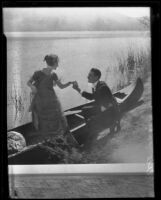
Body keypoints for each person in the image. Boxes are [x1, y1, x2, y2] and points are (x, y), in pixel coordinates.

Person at [27, 54, 74, 142]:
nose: (58, 65)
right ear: (54, 63)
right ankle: (52, 137)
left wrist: (70, 82)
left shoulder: (52, 74)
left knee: (48, 119)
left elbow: (61, 86)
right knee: (52, 118)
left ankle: (51, 137)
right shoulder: (39, 73)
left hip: (49, 100)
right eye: (57, 63)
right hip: (44, 101)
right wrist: (33, 87)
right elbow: (29, 83)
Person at [72, 68, 121, 134]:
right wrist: (78, 89)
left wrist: (96, 115)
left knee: (89, 115)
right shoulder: (96, 85)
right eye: (88, 75)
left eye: (90, 75)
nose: (87, 77)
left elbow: (108, 105)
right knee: (85, 110)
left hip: (111, 109)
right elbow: (92, 97)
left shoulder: (102, 87)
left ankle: (112, 123)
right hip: (104, 106)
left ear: (96, 77)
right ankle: (91, 128)